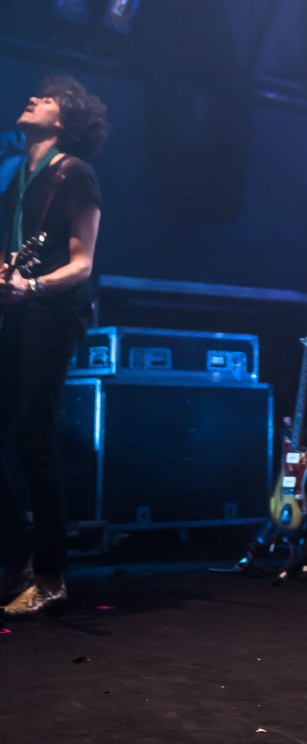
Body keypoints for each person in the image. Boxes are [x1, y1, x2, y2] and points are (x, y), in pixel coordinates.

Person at [0, 75, 108, 618]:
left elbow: (82, 264)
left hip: (52, 314)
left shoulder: (75, 174)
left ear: (63, 120)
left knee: (35, 438)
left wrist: (32, 285)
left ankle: (49, 575)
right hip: (16, 312)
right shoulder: (16, 176)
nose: (33, 97)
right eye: (34, 92)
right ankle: (19, 555)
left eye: (47, 98)